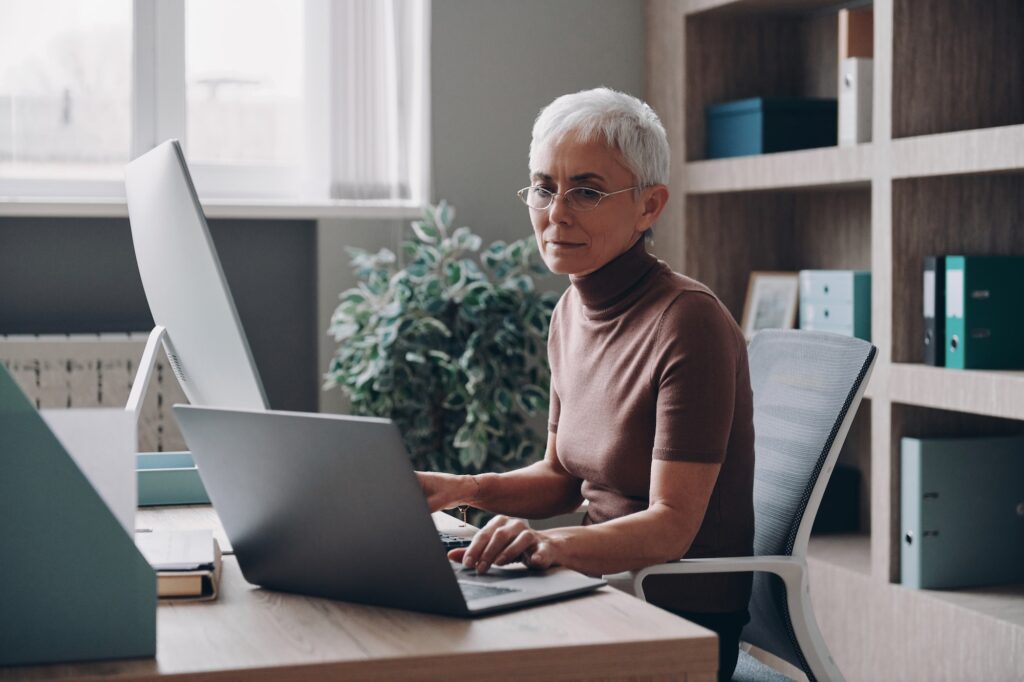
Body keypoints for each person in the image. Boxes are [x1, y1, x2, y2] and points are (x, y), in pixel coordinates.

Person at [417, 87, 754, 681]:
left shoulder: (689, 322)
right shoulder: (571, 311)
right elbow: (559, 478)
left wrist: (551, 547)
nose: (557, 212)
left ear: (650, 206)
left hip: (673, 619)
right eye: (544, 187)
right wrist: (459, 488)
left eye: (587, 191)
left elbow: (674, 524)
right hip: (597, 587)